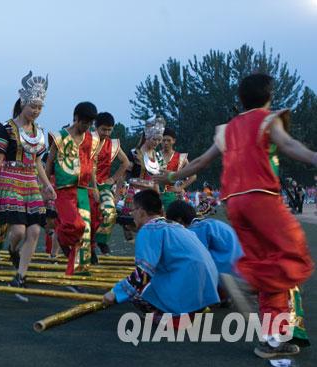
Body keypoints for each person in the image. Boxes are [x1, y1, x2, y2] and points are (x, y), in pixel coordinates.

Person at [155, 73, 315, 357]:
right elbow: (289, 146)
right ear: (269, 97)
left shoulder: (227, 130)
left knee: (267, 264)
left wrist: (170, 176)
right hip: (261, 199)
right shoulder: (269, 120)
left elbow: (202, 162)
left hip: (234, 205)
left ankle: (272, 340)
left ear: (241, 100)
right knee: (291, 254)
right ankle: (247, 281)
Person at [0, 71, 56, 296]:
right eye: (32, 106)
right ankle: (13, 249)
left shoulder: (39, 133)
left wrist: (46, 184)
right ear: (23, 103)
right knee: (17, 230)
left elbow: (37, 162)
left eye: (39, 107)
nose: (35, 111)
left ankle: (20, 276)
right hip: (10, 180)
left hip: (30, 182)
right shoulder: (7, 129)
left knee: (34, 230)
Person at [102, 190, 219, 323]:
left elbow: (143, 273)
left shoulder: (148, 230)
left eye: (133, 209)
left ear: (141, 211)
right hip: (207, 290)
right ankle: (189, 310)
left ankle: (170, 318)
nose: (131, 213)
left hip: (188, 289)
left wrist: (115, 293)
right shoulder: (175, 226)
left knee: (137, 294)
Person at [46, 102, 99, 274]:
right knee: (75, 225)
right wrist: (46, 185)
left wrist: (95, 187)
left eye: (90, 123)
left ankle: (79, 268)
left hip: (83, 189)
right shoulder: (59, 137)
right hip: (63, 189)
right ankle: (61, 236)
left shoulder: (92, 139)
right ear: (76, 118)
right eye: (85, 122)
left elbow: (91, 165)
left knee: (86, 227)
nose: (87, 127)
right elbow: (49, 162)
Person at [91, 112, 130, 259]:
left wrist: (113, 179)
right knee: (89, 216)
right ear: (96, 127)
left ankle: (102, 241)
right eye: (103, 130)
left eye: (109, 130)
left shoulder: (112, 144)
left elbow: (126, 162)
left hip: (103, 185)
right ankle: (89, 247)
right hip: (86, 185)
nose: (106, 133)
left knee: (110, 211)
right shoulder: (87, 140)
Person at [160, 127, 196, 210]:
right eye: (163, 140)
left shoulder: (181, 158)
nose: (166, 143)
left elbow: (193, 176)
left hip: (175, 196)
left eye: (168, 140)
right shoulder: (155, 156)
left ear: (174, 141)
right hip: (157, 194)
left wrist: (180, 187)